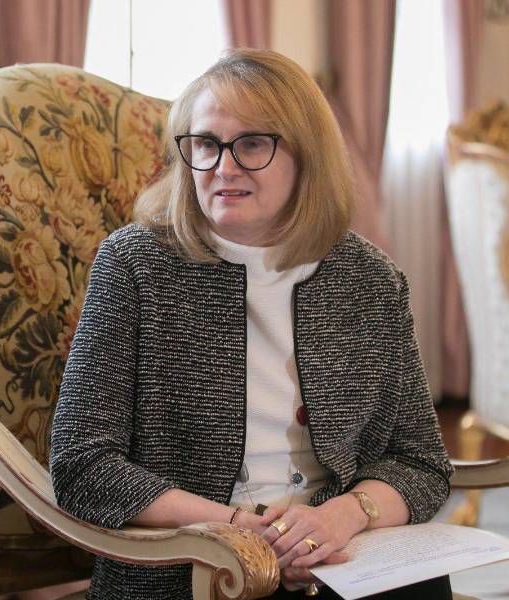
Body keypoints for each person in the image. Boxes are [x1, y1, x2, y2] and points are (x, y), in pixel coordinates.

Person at [50, 48, 453, 600]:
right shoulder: (135, 265)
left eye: (253, 144)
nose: (224, 167)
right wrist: (243, 531)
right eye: (206, 144)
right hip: (187, 563)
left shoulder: (369, 278)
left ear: (307, 157)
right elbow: (82, 464)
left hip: (339, 556)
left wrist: (343, 515)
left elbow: (421, 461)